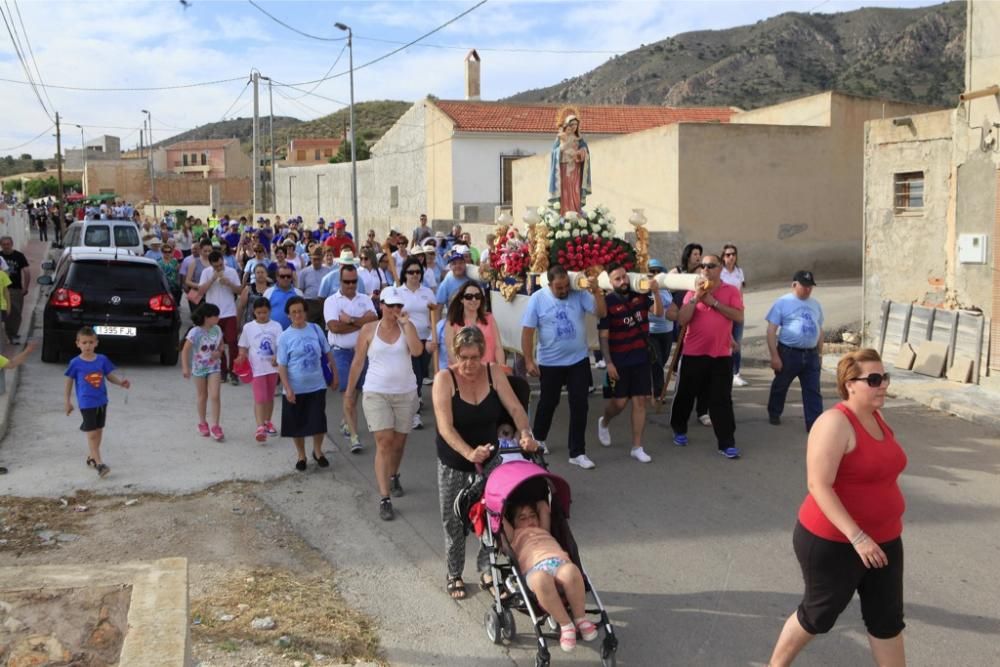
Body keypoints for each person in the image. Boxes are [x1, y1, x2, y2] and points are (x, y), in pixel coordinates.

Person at [768, 349, 906, 667]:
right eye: (874, 379)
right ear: (850, 384)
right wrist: (858, 537)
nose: (883, 384)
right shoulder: (834, 423)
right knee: (819, 614)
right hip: (835, 542)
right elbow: (819, 486)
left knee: (887, 619)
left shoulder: (877, 416)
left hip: (884, 540)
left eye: (884, 377)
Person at [433, 325, 538, 599]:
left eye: (474, 357)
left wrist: (525, 433)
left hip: (490, 457)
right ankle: (454, 572)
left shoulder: (493, 373)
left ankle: (487, 568)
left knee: (492, 516)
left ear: (483, 354)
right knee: (453, 520)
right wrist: (468, 453)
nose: (469, 364)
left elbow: (516, 408)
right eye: (464, 357)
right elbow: (445, 427)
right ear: (456, 355)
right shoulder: (445, 379)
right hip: (455, 459)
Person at [346, 286, 422, 521]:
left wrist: (407, 324)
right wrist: (350, 391)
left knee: (398, 443)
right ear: (382, 306)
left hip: (405, 392)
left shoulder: (407, 327)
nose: (395, 310)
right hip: (376, 391)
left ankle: (394, 474)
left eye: (399, 306)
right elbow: (358, 361)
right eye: (391, 306)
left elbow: (418, 351)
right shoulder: (369, 329)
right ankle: (385, 498)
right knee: (384, 441)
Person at [521, 264, 606, 468]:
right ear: (549, 284)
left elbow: (601, 313)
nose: (564, 291)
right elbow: (528, 331)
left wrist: (596, 291)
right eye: (559, 288)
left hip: (578, 360)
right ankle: (539, 438)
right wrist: (528, 360)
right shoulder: (538, 299)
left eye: (566, 286)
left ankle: (577, 452)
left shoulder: (578, 293)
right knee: (549, 402)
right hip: (550, 362)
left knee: (580, 404)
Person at [669, 254, 744, 459]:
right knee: (685, 394)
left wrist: (714, 303)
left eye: (711, 266)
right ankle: (679, 429)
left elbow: (738, 316)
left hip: (720, 355)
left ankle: (726, 442)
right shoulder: (692, 291)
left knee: (721, 400)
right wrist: (696, 298)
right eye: (702, 266)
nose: (705, 269)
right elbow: (682, 320)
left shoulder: (730, 291)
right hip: (694, 353)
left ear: (720, 269)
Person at [596, 264, 671, 464]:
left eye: (624, 277)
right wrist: (608, 362)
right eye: (617, 279)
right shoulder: (607, 303)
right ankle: (604, 421)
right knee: (619, 403)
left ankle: (637, 446)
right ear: (610, 283)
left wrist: (655, 292)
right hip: (619, 360)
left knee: (640, 401)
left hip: (640, 358)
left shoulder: (640, 295)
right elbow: (603, 336)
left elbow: (658, 312)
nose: (623, 281)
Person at [504, 500, 599, 652]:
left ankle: (580, 619)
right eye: (522, 518)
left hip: (558, 563)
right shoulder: (514, 535)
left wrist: (542, 500)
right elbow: (500, 523)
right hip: (534, 569)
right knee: (541, 579)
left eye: (532, 516)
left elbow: (543, 507)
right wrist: (496, 511)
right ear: (514, 523)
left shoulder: (544, 530)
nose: (529, 520)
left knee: (572, 571)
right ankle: (566, 625)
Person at [277, 296, 336, 472]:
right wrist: (287, 388)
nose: (297, 314)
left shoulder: (316, 329)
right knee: (297, 424)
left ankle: (318, 451)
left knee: (318, 421)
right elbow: (282, 365)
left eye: (300, 311)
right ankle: (301, 455)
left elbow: (328, 354)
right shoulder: (285, 337)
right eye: (293, 312)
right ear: (288, 315)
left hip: (317, 385)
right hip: (296, 387)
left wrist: (335, 376)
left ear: (305, 312)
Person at [64, 327, 131, 477]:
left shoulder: (102, 359)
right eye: (84, 342)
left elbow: (109, 375)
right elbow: (68, 382)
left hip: (101, 401)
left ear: (96, 343)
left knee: (99, 430)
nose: (87, 345)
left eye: (90, 342)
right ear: (78, 344)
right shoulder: (75, 363)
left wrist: (121, 382)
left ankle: (92, 457)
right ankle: (100, 464)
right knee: (92, 434)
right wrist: (67, 401)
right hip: (86, 403)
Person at [325, 262, 378, 452]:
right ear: (340, 281)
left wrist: (351, 320)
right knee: (347, 391)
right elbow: (334, 327)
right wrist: (362, 322)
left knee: (356, 390)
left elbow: (373, 322)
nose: (350, 285)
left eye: (354, 281)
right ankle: (354, 437)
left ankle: (345, 419)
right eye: (347, 282)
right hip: (340, 352)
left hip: (363, 352)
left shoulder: (365, 299)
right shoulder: (331, 301)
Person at [766, 270, 825, 431]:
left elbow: (820, 329)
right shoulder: (783, 302)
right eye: (804, 286)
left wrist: (820, 353)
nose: (807, 290)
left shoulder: (815, 304)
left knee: (813, 390)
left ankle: (814, 424)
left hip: (811, 354)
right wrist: (774, 356)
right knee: (781, 385)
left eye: (810, 287)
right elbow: (771, 330)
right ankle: (774, 412)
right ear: (794, 285)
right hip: (788, 353)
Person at [669, 242, 711, 426]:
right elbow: (668, 288)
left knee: (706, 377)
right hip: (684, 318)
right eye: (694, 253)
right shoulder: (677, 272)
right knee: (686, 373)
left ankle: (703, 411)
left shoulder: (704, 275)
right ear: (687, 255)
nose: (697, 257)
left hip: (703, 325)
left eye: (699, 254)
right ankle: (680, 417)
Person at [397, 256, 438, 429]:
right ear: (404, 274)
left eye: (417, 272)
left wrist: (432, 338)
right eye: (411, 272)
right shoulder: (398, 292)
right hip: (407, 339)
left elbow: (434, 317)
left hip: (425, 338)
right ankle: (414, 414)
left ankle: (415, 398)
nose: (414, 275)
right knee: (414, 375)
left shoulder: (427, 292)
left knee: (420, 374)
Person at [237, 297, 283, 442]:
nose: (262, 315)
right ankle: (259, 426)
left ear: (270, 311)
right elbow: (243, 345)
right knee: (260, 397)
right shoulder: (248, 327)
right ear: (254, 312)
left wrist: (277, 356)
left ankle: (267, 421)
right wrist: (242, 356)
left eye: (265, 312)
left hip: (272, 368)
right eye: (259, 313)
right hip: (256, 368)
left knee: (269, 396)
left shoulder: (276, 326)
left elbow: (281, 345)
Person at [197, 250, 242, 385]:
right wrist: (212, 279)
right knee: (217, 344)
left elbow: (240, 291)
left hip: (229, 312)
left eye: (220, 265)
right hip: (213, 314)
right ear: (210, 264)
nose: (219, 268)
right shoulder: (206, 273)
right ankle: (222, 371)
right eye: (216, 266)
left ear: (223, 261)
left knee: (233, 342)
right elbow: (200, 291)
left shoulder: (232, 271)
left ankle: (234, 372)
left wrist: (229, 283)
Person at [182, 303, 226, 441]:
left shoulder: (217, 329)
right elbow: (185, 350)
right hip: (199, 368)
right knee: (202, 395)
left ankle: (216, 425)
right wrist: (185, 367)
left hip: (214, 368)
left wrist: (218, 353)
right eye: (215, 316)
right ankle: (202, 422)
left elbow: (221, 345)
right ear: (207, 317)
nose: (218, 318)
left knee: (215, 395)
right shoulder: (195, 332)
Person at [443, 280, 504, 367]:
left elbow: (498, 347)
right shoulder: (452, 323)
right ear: (461, 299)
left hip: (489, 371)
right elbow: (451, 352)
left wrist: (501, 368)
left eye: (477, 296)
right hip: (464, 373)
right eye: (469, 296)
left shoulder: (489, 318)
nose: (474, 299)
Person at [548, 114, 590, 216]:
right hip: (563, 167)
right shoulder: (561, 137)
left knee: (575, 190)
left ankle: (576, 211)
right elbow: (554, 152)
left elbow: (586, 151)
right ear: (567, 125)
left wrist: (581, 152)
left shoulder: (580, 139)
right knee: (565, 190)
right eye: (572, 124)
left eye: (576, 124)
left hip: (576, 168)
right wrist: (562, 149)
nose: (574, 126)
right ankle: (564, 212)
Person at [721, 243, 749, 387]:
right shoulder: (720, 272)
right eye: (728, 255)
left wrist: (742, 309)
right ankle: (723, 372)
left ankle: (735, 373)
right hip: (724, 312)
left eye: (733, 254)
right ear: (723, 257)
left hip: (737, 311)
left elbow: (740, 292)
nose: (731, 257)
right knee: (723, 341)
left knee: (736, 343)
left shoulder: (739, 271)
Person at [646, 259, 673, 401]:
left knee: (662, 362)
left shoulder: (666, 288)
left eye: (658, 271)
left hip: (667, 331)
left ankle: (650, 386)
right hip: (651, 332)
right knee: (656, 363)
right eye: (652, 271)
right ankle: (658, 394)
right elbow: (656, 311)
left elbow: (673, 306)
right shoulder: (644, 290)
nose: (655, 274)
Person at [0, 236, 30, 345]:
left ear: (12, 244)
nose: (6, 246)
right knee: (5, 313)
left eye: (8, 244)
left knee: (16, 313)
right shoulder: (0, 257)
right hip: (2, 289)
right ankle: (7, 334)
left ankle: (13, 334)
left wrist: (25, 287)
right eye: (4, 244)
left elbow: (26, 271)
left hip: (15, 289)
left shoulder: (19, 256)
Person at [297, 247, 332, 325]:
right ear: (310, 259)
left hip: (324, 303)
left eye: (318, 259)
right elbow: (300, 290)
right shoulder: (304, 272)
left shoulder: (328, 271)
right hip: (310, 303)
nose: (316, 262)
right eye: (314, 259)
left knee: (324, 327)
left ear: (322, 258)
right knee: (310, 326)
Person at [157, 241, 182, 306]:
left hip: (174, 285)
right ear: (162, 252)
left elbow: (177, 273)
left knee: (175, 303)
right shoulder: (159, 262)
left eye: (169, 251)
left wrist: (179, 283)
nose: (167, 253)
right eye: (165, 252)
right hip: (164, 286)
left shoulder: (174, 261)